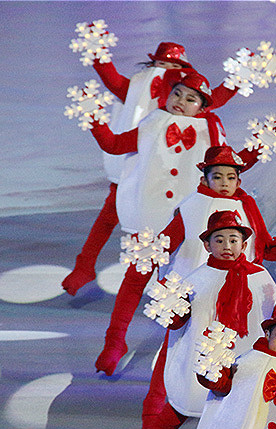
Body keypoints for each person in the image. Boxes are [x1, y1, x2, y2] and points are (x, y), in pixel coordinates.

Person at [103, 210, 276, 429]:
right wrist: (169, 304)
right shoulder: (197, 279)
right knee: (172, 417)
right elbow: (176, 319)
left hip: (241, 369)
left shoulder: (260, 278)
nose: (227, 246)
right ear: (207, 245)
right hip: (201, 366)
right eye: (220, 240)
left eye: (233, 239)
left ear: (244, 244)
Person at [94, 144, 276, 378]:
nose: (224, 183)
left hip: (238, 292)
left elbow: (267, 247)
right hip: (196, 291)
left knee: (233, 356)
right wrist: (152, 259)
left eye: (230, 177)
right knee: (178, 353)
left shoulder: (247, 206)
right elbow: (167, 242)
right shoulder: (193, 206)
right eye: (217, 177)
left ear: (238, 182)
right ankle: (116, 341)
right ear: (204, 179)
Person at [62, 42, 237, 295]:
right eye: (161, 64)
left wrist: (240, 79)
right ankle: (86, 266)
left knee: (171, 240)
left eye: (174, 66)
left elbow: (214, 98)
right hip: (137, 169)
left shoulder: (194, 108)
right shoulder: (141, 90)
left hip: (173, 181)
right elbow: (114, 85)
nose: (166, 69)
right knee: (112, 221)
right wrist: (97, 52)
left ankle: (167, 295)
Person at [87, 70, 229, 238]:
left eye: (190, 99)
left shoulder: (210, 131)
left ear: (201, 107)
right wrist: (94, 118)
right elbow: (114, 145)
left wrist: (257, 148)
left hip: (187, 212)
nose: (180, 101)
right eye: (177, 94)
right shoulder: (152, 123)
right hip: (150, 209)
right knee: (143, 259)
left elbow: (229, 164)